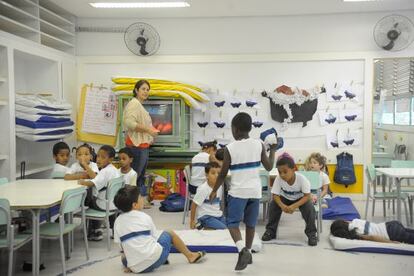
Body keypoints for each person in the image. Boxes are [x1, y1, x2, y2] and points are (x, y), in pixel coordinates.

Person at [209, 112, 277, 271]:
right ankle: (248, 252)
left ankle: (242, 250)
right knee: (251, 224)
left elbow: (224, 172)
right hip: (255, 191)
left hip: (238, 192)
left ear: (235, 129)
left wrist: (214, 190)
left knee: (232, 223)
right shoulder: (259, 144)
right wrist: (273, 150)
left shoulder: (229, 149)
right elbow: (269, 167)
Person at [113, 186, 206, 274]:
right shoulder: (145, 217)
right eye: (140, 197)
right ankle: (190, 256)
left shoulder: (117, 221)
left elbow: (121, 247)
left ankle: (134, 264)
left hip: (135, 268)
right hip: (155, 260)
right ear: (135, 205)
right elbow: (154, 238)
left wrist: (131, 263)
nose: (143, 199)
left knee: (123, 256)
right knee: (169, 233)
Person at [262, 153, 318, 246]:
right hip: (285, 198)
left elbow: (307, 196)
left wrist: (293, 206)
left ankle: (311, 234)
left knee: (309, 208)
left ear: (293, 170)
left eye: (285, 172)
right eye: (280, 172)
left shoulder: (302, 179)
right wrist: (282, 206)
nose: (282, 175)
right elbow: (275, 195)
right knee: (273, 205)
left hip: (300, 199)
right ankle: (270, 231)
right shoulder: (278, 179)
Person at [123, 80, 159, 206]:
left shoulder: (138, 105)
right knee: (135, 176)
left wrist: (150, 134)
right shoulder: (134, 104)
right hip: (136, 147)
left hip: (142, 146)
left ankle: (139, 202)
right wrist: (149, 130)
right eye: (143, 89)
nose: (146, 91)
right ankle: (129, 203)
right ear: (136, 90)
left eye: (147, 89)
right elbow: (130, 124)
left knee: (139, 177)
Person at [79, 145, 121, 241]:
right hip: (114, 204)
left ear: (110, 159)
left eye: (103, 157)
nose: (99, 159)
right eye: (98, 156)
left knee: (88, 202)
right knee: (95, 199)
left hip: (103, 205)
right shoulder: (115, 170)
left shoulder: (105, 171)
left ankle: (94, 231)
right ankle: (114, 231)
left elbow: (92, 183)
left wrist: (82, 182)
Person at [190, 162, 226, 230]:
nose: (216, 175)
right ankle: (203, 226)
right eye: (213, 173)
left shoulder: (220, 187)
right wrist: (192, 221)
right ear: (206, 175)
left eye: (218, 173)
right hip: (206, 217)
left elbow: (218, 204)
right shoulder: (203, 189)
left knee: (231, 227)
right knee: (223, 229)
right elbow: (194, 205)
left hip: (218, 216)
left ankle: (209, 228)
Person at [331, 219, 414, 244]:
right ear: (345, 222)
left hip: (391, 233)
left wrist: (391, 242)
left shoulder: (356, 233)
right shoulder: (355, 220)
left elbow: (373, 237)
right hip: (390, 224)